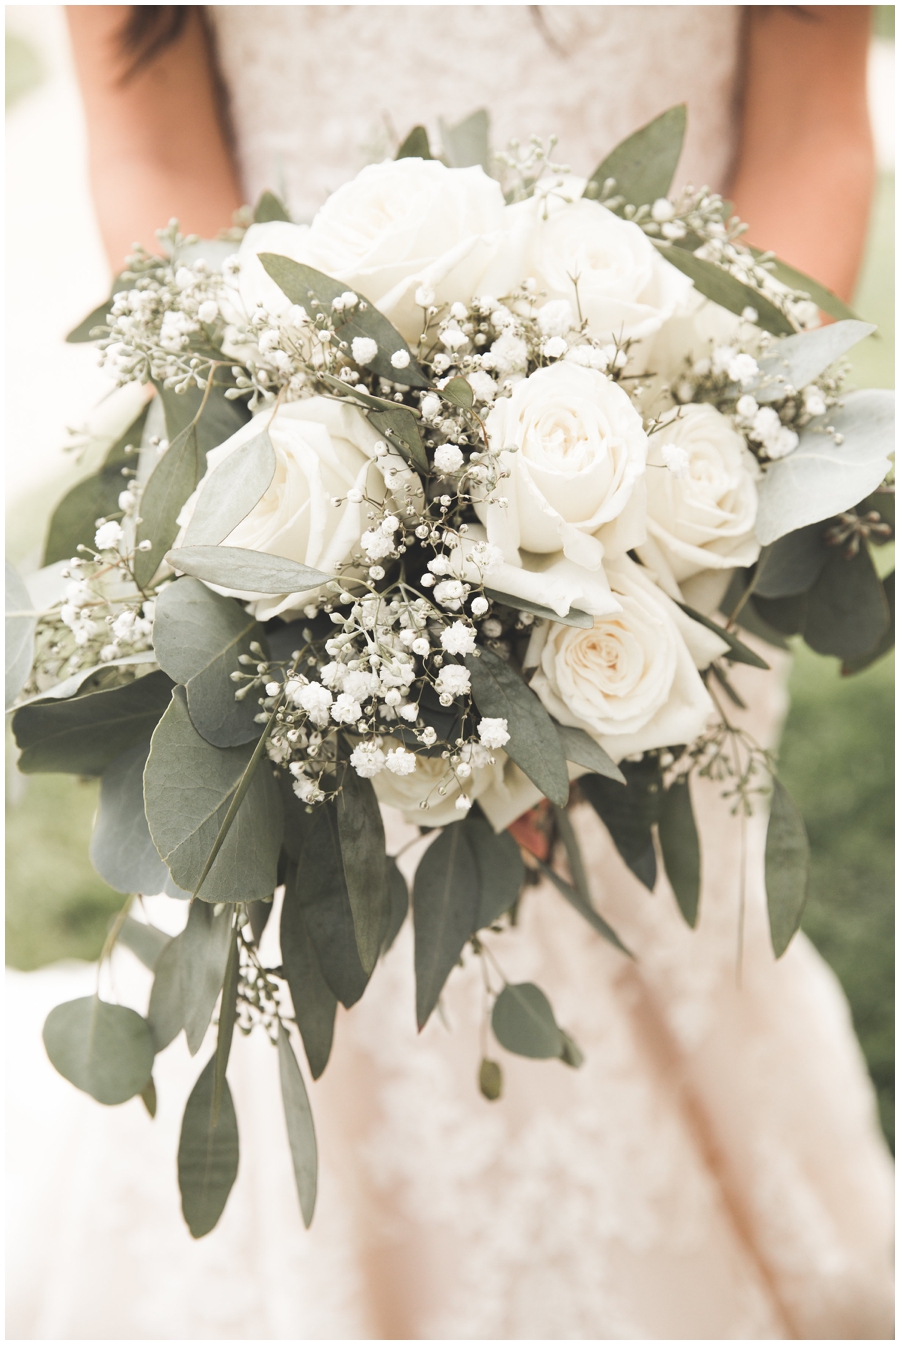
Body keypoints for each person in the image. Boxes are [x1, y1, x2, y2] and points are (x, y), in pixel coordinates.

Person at [10, 6, 891, 1338]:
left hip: (669, 489)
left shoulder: (666, 526)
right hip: (308, 503)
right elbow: (152, 154)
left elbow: (818, 132)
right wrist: (307, 471)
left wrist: (655, 518)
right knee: (349, 990)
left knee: (672, 937)